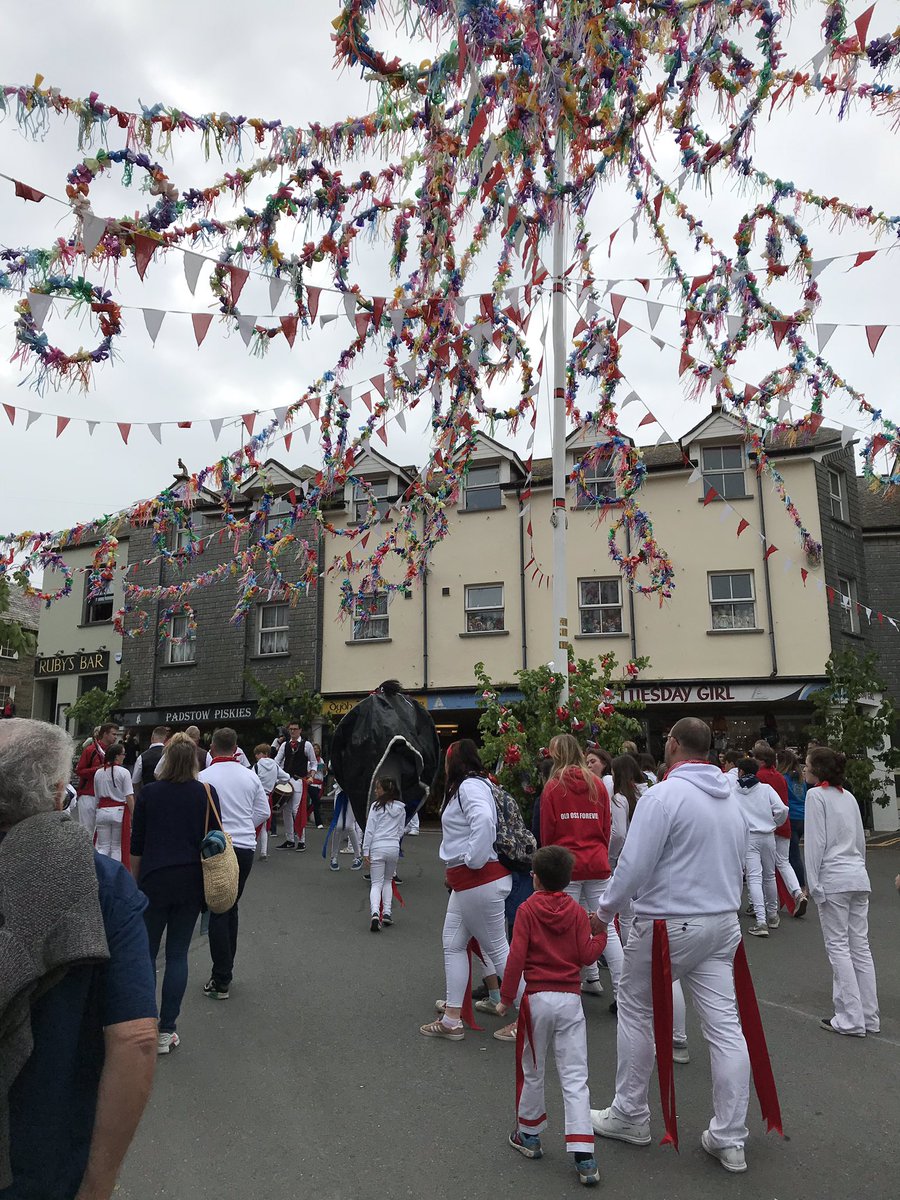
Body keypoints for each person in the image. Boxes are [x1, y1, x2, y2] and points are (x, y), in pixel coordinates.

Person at [590, 717, 758, 1175]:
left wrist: (603, 913)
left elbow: (632, 867)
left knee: (637, 1009)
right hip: (721, 922)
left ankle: (630, 1113)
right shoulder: (731, 803)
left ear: (673, 745)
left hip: (670, 922)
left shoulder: (663, 796)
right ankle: (730, 1136)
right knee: (725, 1027)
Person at [0, 718, 157, 1200]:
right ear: (56, 791)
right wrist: (98, 1184)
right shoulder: (101, 883)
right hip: (43, 1156)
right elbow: (135, 1039)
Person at [497, 845, 605, 1188]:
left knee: (533, 1067)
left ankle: (529, 1133)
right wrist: (601, 933)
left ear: (536, 879)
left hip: (537, 998)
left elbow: (516, 956)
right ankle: (584, 1153)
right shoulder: (576, 912)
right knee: (575, 1075)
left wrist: (505, 997)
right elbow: (586, 954)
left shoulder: (527, 910)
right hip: (570, 999)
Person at [130, 733, 221, 1053]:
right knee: (177, 954)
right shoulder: (205, 793)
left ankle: (141, 1023)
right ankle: (166, 1030)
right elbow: (214, 838)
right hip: (191, 881)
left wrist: (134, 885)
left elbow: (136, 845)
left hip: (154, 879)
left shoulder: (150, 794)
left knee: (146, 954)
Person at [420, 740, 515, 1040]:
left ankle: (532, 1016)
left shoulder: (469, 787)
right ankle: (451, 1018)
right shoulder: (474, 785)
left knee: (498, 950)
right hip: (473, 880)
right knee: (454, 942)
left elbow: (484, 821)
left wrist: (472, 859)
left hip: (477, 879)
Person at [541, 735, 623, 1003]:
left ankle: (567, 990)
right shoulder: (596, 784)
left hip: (565, 866)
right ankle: (621, 993)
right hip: (597, 861)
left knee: (564, 928)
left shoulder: (553, 787)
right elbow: (605, 827)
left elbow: (547, 833)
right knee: (606, 928)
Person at [804, 747, 879, 1037]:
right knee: (860, 947)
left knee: (838, 948)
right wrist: (861, 869)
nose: (804, 768)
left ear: (818, 770)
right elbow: (860, 841)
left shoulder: (816, 796)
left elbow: (815, 843)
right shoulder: (847, 796)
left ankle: (851, 1017)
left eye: (807, 765)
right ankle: (868, 1015)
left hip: (834, 878)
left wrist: (813, 885)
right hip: (857, 876)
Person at [199, 728, 270, 1000]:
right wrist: (244, 828)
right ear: (236, 747)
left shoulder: (203, 777)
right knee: (231, 905)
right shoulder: (250, 776)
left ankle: (221, 978)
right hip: (243, 847)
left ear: (213, 748)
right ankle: (226, 970)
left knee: (218, 908)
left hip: (217, 847)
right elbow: (263, 811)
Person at [732, 758, 790, 936]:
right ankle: (772, 915)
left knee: (754, 878)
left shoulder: (734, 791)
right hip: (768, 835)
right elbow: (782, 809)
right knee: (769, 875)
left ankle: (761, 921)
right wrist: (774, 822)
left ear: (740, 772)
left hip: (749, 837)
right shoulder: (765, 788)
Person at [752, 741, 803, 914]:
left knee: (765, 870)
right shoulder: (780, 776)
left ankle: (765, 906)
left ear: (760, 760)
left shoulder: (759, 777)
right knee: (784, 862)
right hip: (785, 823)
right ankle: (797, 893)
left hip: (768, 825)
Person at [362, 778, 407, 931]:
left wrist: (365, 851)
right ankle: (387, 912)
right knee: (388, 880)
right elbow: (401, 830)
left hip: (377, 846)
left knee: (376, 883)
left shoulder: (375, 807)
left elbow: (369, 830)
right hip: (393, 847)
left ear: (385, 790)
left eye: (378, 788)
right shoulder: (401, 808)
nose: (376, 791)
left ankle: (375, 912)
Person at [274, 719, 316, 851]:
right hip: (286, 780)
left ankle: (301, 840)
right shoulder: (284, 745)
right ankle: (290, 839)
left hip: (299, 780)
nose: (292, 731)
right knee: (286, 810)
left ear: (300, 730)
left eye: (295, 729)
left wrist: (311, 776)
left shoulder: (307, 745)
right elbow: (276, 762)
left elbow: (313, 763)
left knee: (296, 811)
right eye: (290, 729)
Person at [93, 742, 136, 867]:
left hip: (102, 811)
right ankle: (115, 874)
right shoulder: (124, 772)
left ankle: (100, 871)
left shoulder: (98, 773)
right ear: (117, 756)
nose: (124, 756)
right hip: (119, 812)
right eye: (123, 754)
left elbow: (97, 796)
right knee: (116, 847)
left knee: (102, 845)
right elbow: (129, 796)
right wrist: (134, 815)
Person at [74, 721, 119, 836]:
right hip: (88, 795)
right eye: (113, 734)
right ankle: (85, 854)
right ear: (105, 734)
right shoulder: (91, 750)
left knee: (101, 833)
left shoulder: (114, 753)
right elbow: (79, 771)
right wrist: (97, 770)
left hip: (105, 796)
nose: (116, 737)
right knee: (87, 831)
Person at [777, 748, 807, 898]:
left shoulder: (783, 777)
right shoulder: (800, 778)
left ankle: (800, 887)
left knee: (792, 855)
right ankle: (800, 885)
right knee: (794, 854)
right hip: (802, 816)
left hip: (791, 816)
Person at [252, 743, 291, 860]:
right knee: (264, 825)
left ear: (263, 754)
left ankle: (250, 848)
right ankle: (263, 852)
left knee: (251, 823)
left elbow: (251, 782)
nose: (256, 756)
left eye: (257, 754)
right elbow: (287, 778)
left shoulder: (257, 766)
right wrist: (276, 782)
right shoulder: (275, 766)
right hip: (268, 796)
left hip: (256, 797)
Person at [131, 726, 169, 794]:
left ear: (152, 738)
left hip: (148, 794)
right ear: (165, 739)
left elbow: (135, 781)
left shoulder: (142, 757)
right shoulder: (170, 755)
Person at [308, 742, 326, 828]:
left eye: (317, 749)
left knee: (315, 803)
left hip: (320, 784)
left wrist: (324, 769)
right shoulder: (309, 760)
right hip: (312, 784)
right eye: (314, 748)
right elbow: (308, 771)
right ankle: (319, 823)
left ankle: (305, 816)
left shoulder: (321, 760)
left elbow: (324, 774)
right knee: (316, 802)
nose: (316, 750)